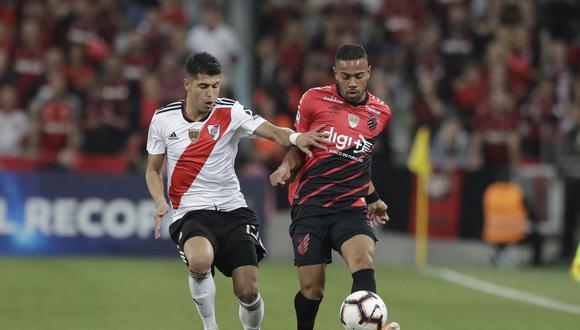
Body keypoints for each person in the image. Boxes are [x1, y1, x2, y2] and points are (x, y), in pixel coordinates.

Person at [145, 52, 324, 330]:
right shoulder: (163, 119)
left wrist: (297, 137)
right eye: (204, 86)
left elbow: (274, 132)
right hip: (190, 211)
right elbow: (153, 170)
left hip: (232, 210)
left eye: (215, 85)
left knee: (248, 291)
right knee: (201, 259)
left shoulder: (231, 112)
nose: (211, 94)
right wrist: (159, 200)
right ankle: (210, 326)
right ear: (187, 85)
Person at [270, 43, 399, 330]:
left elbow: (357, 161)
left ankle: (369, 326)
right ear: (335, 74)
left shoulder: (380, 113)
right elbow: (299, 145)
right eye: (345, 76)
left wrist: (373, 198)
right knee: (312, 290)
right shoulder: (313, 100)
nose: (352, 83)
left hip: (350, 207)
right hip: (311, 206)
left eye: (358, 76)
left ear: (368, 73)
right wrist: (284, 167)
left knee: (363, 261)